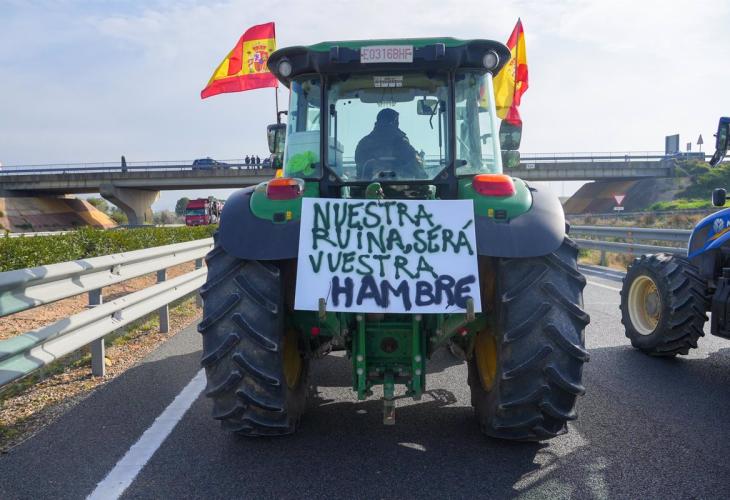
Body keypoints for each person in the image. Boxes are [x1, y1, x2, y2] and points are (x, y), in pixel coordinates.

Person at [355, 108, 424, 179]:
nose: (398, 124)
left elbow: (360, 171)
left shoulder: (364, 143)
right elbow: (416, 165)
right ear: (394, 122)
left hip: (370, 185)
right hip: (401, 183)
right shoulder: (402, 142)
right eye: (397, 121)